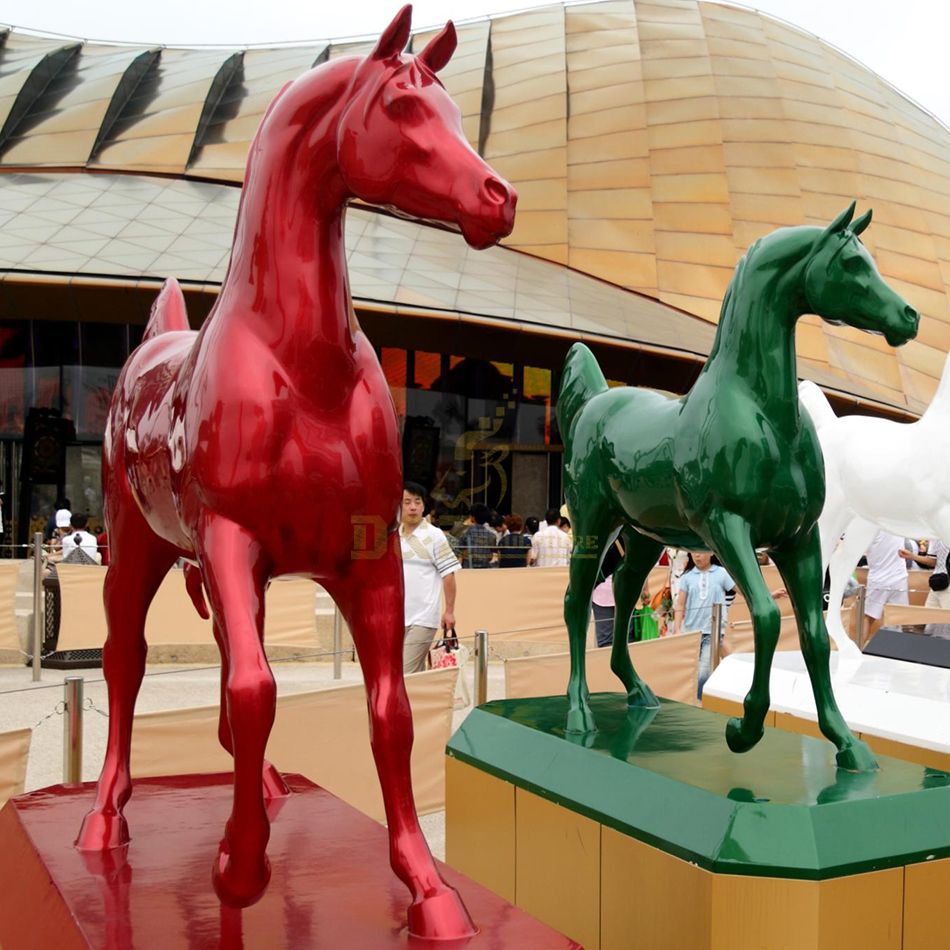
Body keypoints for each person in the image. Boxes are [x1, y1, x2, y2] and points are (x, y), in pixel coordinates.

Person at [399, 482, 461, 674]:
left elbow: (448, 575)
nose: (413, 507)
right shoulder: (393, 535)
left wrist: (449, 611)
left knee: (405, 672)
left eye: (417, 502)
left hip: (423, 618)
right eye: (407, 502)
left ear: (424, 506)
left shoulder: (435, 536)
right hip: (396, 617)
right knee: (410, 675)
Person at [672, 551, 735, 698]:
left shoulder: (722, 573)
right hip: (691, 633)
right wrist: (677, 629)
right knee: (691, 671)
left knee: (704, 670)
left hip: (712, 630)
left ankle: (701, 702)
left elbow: (743, 591)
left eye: (700, 552)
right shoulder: (687, 577)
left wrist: (768, 596)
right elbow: (680, 604)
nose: (697, 556)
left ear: (711, 553)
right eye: (693, 552)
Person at [864, 531, 909, 639]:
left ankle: (858, 650)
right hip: (899, 578)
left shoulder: (871, 528)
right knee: (898, 618)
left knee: (868, 618)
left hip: (879, 580)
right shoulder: (897, 525)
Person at [901, 538, 950, 609]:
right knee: (929, 616)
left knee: (946, 616)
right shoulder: (935, 538)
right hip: (936, 583)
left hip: (946, 584)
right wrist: (912, 556)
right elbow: (932, 561)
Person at [458, 503, 496, 569]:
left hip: (468, 569)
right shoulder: (492, 535)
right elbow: (491, 556)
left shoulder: (466, 532)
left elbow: (460, 549)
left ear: (473, 517)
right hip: (484, 569)